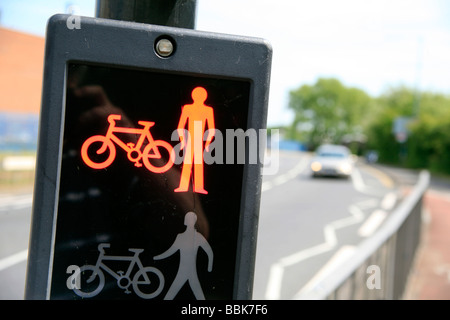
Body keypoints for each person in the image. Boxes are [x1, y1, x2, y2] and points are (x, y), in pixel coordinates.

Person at [154, 211, 213, 300]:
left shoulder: (198, 236)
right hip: (182, 271)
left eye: (191, 219)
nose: (189, 221)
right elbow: (171, 251)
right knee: (171, 294)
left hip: (191, 272)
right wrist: (158, 257)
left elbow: (209, 252)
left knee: (198, 295)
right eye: (188, 219)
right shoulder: (181, 236)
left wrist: (209, 267)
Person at [174, 87, 215, 194]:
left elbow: (211, 129)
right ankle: (184, 186)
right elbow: (180, 127)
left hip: (198, 138)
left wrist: (207, 144)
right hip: (190, 137)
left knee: (197, 163)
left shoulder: (208, 110)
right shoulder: (187, 108)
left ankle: (198, 187)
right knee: (188, 162)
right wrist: (182, 140)